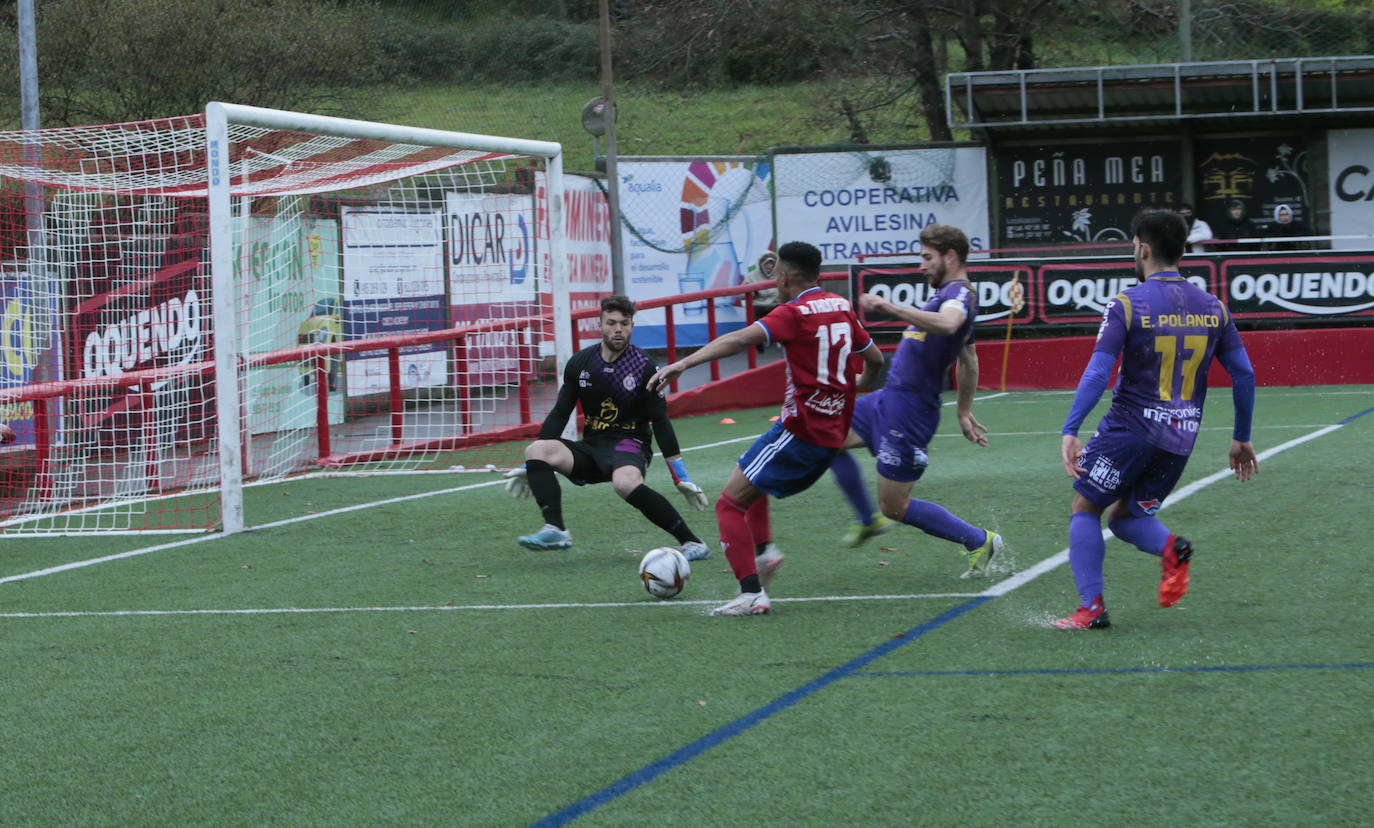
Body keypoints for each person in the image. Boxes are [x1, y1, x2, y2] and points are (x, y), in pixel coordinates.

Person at [648, 241, 886, 616]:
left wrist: (683, 364)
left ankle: (751, 593)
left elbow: (740, 339)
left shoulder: (793, 313)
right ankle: (765, 552)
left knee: (728, 504)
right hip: (830, 437)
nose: (774, 281)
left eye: (775, 275)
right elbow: (874, 359)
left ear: (786, 276)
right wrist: (855, 387)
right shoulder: (841, 306)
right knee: (751, 475)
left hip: (800, 434)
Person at [1055, 208, 1260, 630]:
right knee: (1128, 517)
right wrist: (1241, 437)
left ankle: (1090, 609)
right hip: (1180, 438)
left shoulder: (1128, 304)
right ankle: (1171, 549)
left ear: (1143, 248)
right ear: (1182, 250)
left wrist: (1071, 427)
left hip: (1130, 426)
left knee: (1085, 506)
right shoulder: (1214, 308)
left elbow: (1098, 371)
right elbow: (1245, 373)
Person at [829, 224, 1003, 575]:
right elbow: (969, 358)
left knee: (894, 506)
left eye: (927, 257)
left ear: (950, 256)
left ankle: (978, 540)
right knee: (826, 437)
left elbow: (950, 324)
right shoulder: (947, 293)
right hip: (888, 399)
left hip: (910, 411)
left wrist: (890, 307)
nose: (921, 266)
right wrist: (965, 410)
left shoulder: (960, 295)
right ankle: (867, 520)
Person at [504, 294, 712, 561]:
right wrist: (530, 466)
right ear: (600, 324)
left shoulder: (645, 368)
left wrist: (680, 476)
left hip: (630, 445)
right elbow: (560, 413)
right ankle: (556, 529)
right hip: (592, 448)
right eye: (611, 323)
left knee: (624, 483)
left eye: (624, 323)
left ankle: (692, 542)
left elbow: (660, 421)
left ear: (632, 326)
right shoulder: (581, 364)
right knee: (536, 450)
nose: (618, 329)